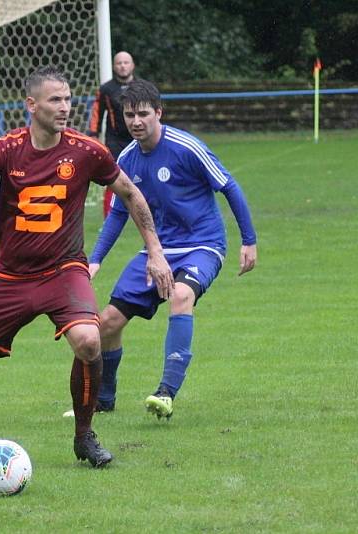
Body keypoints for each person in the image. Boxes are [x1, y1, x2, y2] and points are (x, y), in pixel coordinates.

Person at [0, 67, 174, 467]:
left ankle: (85, 437)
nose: (65, 107)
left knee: (90, 342)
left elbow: (130, 193)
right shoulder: (4, 150)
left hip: (64, 271)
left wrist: (156, 252)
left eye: (67, 99)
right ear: (31, 105)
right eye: (55, 100)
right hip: (10, 276)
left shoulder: (86, 150)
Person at [88, 79, 257, 419]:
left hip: (203, 245)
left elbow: (229, 186)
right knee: (107, 322)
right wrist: (95, 260)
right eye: (130, 115)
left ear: (159, 113)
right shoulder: (127, 158)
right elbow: (120, 212)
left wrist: (248, 241)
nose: (136, 122)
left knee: (181, 296)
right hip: (157, 252)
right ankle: (104, 400)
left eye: (143, 114)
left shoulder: (186, 147)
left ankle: (166, 392)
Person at [87, 51, 142, 218]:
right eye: (119, 63)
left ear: (132, 65)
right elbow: (97, 112)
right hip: (115, 140)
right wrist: (93, 134)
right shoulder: (106, 89)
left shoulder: (142, 87)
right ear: (114, 66)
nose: (123, 66)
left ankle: (151, 214)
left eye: (126, 62)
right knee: (113, 178)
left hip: (139, 138)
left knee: (145, 175)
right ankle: (109, 217)